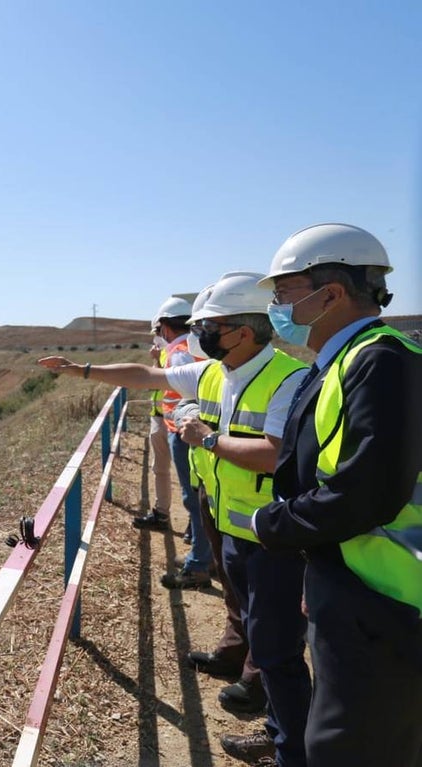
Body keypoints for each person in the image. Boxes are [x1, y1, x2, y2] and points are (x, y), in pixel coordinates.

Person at [39, 271, 310, 766]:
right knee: (248, 617)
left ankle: (290, 747)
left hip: (271, 532)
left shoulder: (288, 380)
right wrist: (83, 370)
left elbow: (275, 455)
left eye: (208, 327)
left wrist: (207, 439)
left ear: (242, 332)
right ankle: (267, 709)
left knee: (278, 646)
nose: (197, 334)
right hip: (228, 521)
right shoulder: (213, 372)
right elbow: (146, 377)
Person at [252, 223, 422, 766]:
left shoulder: (382, 362)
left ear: (330, 295)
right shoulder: (343, 361)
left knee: (348, 750)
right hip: (351, 584)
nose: (276, 308)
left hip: (386, 603)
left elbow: (366, 494)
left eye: (284, 292)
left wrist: (271, 524)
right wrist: (317, 568)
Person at [138, 296, 198, 534]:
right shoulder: (170, 350)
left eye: (158, 331)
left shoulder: (181, 351)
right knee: (164, 469)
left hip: (179, 423)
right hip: (163, 416)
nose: (157, 336)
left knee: (190, 479)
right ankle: (167, 515)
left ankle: (196, 528)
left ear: (164, 327)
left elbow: (180, 384)